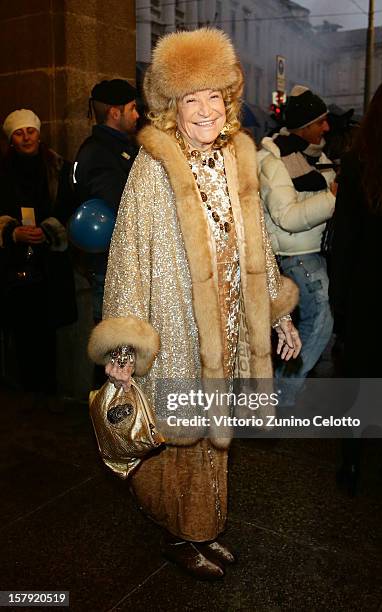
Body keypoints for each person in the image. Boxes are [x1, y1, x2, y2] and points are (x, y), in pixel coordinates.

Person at [88, 28, 301, 580]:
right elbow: (129, 256)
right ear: (170, 106)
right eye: (191, 98)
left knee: (216, 430)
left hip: (231, 323)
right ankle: (182, 533)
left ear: (228, 99)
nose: (205, 109)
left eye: (214, 96)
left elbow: (258, 240)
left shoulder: (238, 156)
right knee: (183, 435)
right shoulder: (153, 165)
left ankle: (203, 527)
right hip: (177, 325)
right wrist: (124, 346)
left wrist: (278, 310)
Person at [329, 74, 382, 495]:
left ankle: (351, 464)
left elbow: (344, 240)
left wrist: (340, 302)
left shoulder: (358, 164)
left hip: (367, 292)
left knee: (359, 381)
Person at [257, 85, 337, 407]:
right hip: (296, 257)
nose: (326, 128)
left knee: (308, 325)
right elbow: (287, 216)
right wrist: (332, 197)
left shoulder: (315, 156)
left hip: (314, 252)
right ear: (303, 126)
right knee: (320, 322)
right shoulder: (274, 160)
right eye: (320, 122)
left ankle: (284, 390)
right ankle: (282, 393)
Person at [0, 109, 77, 396]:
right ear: (11, 139)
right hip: (14, 261)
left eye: (29, 131)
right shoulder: (3, 172)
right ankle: (29, 391)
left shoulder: (59, 168)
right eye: (19, 133)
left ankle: (50, 390)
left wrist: (49, 231)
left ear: (38, 133)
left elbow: (70, 208)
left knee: (48, 328)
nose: (26, 137)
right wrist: (11, 232)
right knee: (22, 328)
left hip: (49, 260)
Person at [73, 79, 139, 323]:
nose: (137, 115)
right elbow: (123, 205)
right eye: (132, 108)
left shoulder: (114, 147)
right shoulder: (101, 153)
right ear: (115, 113)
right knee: (114, 344)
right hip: (112, 267)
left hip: (116, 264)